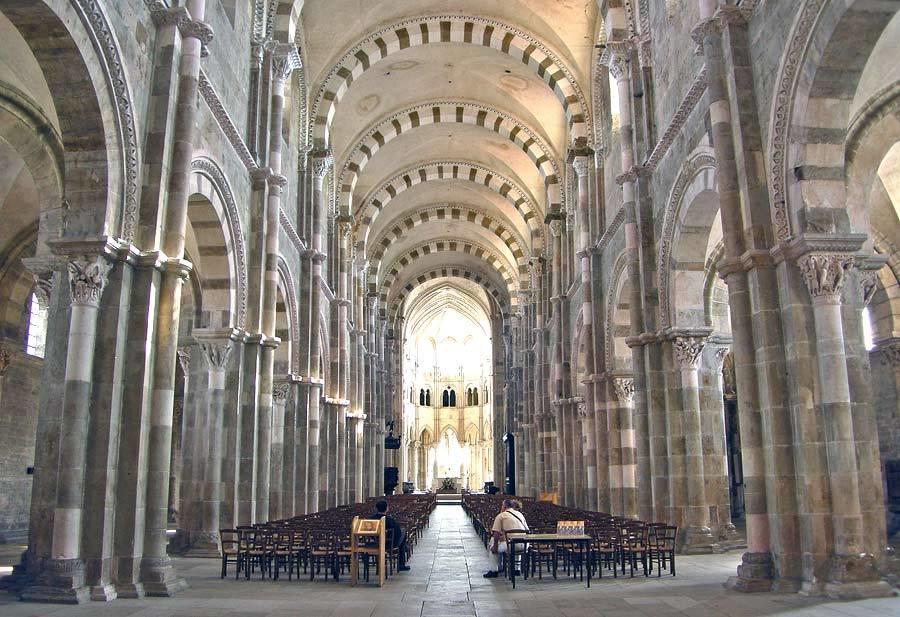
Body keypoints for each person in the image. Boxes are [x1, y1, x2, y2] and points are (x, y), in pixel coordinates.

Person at [483, 498, 528, 578]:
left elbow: (496, 533)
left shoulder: (501, 516)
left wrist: (495, 546)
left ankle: (494, 570)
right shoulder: (520, 514)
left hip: (511, 545)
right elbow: (527, 529)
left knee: (492, 546)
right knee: (517, 541)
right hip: (524, 544)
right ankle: (516, 569)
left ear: (504, 506)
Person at [368, 499, 410, 572]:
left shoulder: (371, 519)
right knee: (403, 534)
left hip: (373, 544)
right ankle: (401, 564)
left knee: (402, 535)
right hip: (388, 545)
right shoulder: (389, 520)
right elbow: (397, 533)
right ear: (386, 508)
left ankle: (404, 546)